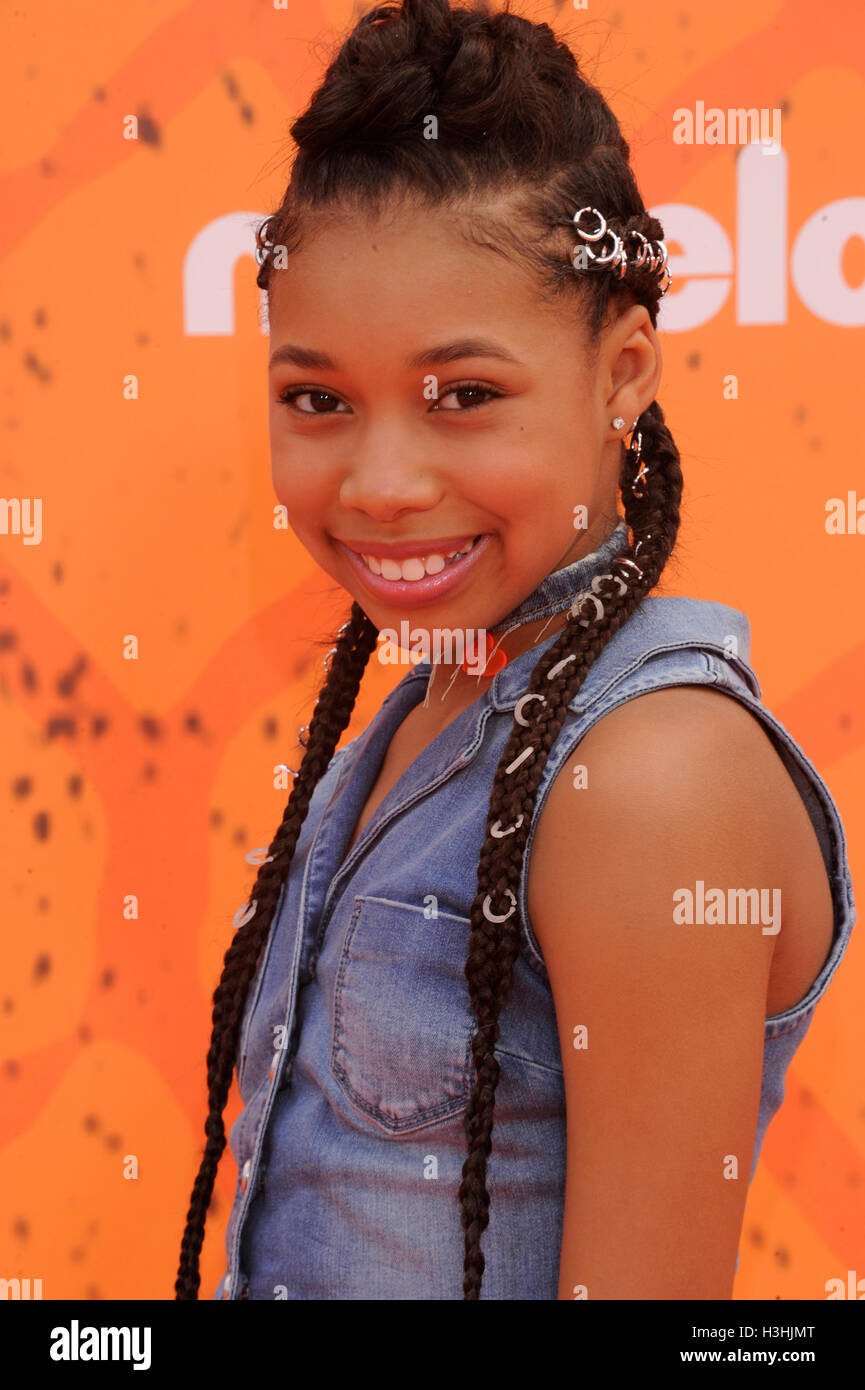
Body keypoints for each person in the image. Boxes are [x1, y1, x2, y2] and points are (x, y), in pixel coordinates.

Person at [175, 0, 857, 1300]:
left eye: (465, 396)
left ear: (622, 372)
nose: (379, 482)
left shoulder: (652, 781)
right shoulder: (416, 716)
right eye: (316, 398)